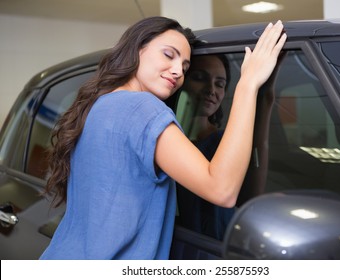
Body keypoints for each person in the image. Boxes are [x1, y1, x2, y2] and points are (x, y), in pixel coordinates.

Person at [40, 16, 286, 259]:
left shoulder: (99, 106)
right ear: (137, 50)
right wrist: (248, 83)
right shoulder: (143, 109)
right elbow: (222, 190)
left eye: (186, 67)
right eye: (169, 55)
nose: (178, 71)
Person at [176, 54, 235, 240]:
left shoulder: (225, 143)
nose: (211, 90)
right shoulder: (162, 137)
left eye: (220, 83)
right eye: (200, 78)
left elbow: (250, 196)